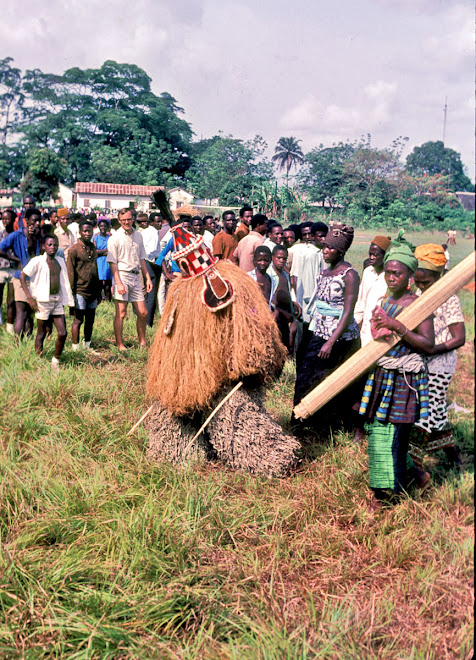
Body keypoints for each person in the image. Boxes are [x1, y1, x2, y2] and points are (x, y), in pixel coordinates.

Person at [358, 232, 434, 508]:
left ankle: (386, 498)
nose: (391, 278)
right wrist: (380, 322)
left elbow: (428, 344)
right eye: (388, 273)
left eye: (397, 274)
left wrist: (397, 326)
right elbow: (380, 337)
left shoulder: (418, 306)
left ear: (410, 277)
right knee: (380, 432)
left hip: (404, 380)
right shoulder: (387, 301)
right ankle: (416, 476)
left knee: (393, 437)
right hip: (383, 376)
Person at [293, 224, 360, 436]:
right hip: (319, 333)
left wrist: (331, 341)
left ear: (341, 251)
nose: (325, 250)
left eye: (331, 248)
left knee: (331, 382)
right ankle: (300, 422)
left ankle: (326, 429)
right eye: (325, 246)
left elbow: (348, 312)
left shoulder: (349, 275)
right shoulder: (323, 272)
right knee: (305, 377)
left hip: (341, 339)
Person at [409, 244, 466, 469]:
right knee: (435, 410)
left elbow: (459, 338)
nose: (422, 286)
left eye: (427, 282)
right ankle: (454, 459)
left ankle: (415, 467)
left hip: (440, 364)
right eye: (418, 281)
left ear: (439, 276)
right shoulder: (416, 294)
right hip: (422, 362)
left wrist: (433, 350)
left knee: (424, 413)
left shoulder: (448, 298)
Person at [19, 234, 74, 369]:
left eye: (55, 245)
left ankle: (55, 360)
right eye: (49, 245)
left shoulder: (60, 261)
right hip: (42, 300)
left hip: (57, 300)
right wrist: (29, 297)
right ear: (44, 246)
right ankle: (39, 359)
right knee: (41, 332)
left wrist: (70, 300)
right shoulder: (37, 261)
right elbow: (22, 276)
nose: (52, 248)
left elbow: (65, 282)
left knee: (63, 332)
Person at [106, 208, 152, 350]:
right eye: (123, 220)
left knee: (143, 312)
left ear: (133, 219)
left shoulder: (138, 235)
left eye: (129, 219)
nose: (126, 222)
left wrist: (147, 277)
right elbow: (112, 262)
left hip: (136, 275)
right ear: (119, 221)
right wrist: (118, 283)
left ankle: (142, 342)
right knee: (121, 312)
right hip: (122, 274)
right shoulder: (115, 238)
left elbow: (142, 258)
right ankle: (120, 344)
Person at [0, 211, 42, 336]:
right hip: (20, 277)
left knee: (30, 314)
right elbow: (1, 248)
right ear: (27, 220)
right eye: (34, 220)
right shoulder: (17, 235)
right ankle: (18, 344)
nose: (36, 223)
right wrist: (16, 259)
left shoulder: (39, 236)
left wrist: (34, 237)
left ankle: (27, 343)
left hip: (34, 279)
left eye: (38, 220)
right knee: (21, 313)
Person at [290, 221, 326, 349]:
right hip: (309, 304)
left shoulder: (321, 253)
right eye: (320, 237)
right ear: (313, 237)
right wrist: (312, 310)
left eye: (324, 236)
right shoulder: (311, 254)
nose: (323, 240)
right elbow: (310, 285)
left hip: (313, 304)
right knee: (306, 339)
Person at [67, 221, 101, 352]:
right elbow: (70, 273)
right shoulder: (74, 250)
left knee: (90, 320)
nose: (87, 233)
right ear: (80, 232)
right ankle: (75, 348)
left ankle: (87, 346)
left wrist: (98, 291)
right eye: (85, 231)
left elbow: (95, 269)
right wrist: (71, 295)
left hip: (92, 290)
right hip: (79, 290)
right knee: (78, 319)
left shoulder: (92, 247)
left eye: (89, 231)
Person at [354, 235, 392, 347]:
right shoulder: (368, 272)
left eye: (375, 255)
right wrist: (355, 322)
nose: (371, 258)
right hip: (365, 327)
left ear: (385, 256)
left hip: (381, 328)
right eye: (370, 254)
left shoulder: (390, 277)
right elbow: (361, 301)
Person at [268, 245, 298, 353]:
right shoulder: (269, 275)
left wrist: (292, 310)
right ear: (272, 257)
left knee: (287, 346)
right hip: (274, 316)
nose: (281, 261)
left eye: (284, 259)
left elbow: (287, 295)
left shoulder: (285, 275)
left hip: (286, 316)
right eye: (279, 258)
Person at [141, 213, 162, 327]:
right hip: (150, 263)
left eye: (160, 222)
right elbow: (151, 251)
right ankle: (148, 322)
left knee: (146, 293)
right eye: (157, 222)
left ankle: (144, 320)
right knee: (151, 295)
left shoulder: (144, 232)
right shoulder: (153, 232)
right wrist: (155, 262)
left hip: (143, 263)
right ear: (151, 222)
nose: (159, 224)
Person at [0, 209, 17, 333]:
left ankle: (10, 325)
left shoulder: (17, 235)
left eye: (7, 218)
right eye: (3, 218)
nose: (5, 221)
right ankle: (1, 320)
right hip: (1, 269)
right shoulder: (0, 234)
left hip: (13, 270)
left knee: (11, 299)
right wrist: (15, 258)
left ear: (13, 220)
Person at [93, 220, 113, 302]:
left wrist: (101, 251)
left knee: (108, 284)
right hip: (99, 262)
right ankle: (99, 300)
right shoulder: (95, 238)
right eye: (101, 226)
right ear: (98, 227)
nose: (103, 228)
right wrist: (106, 250)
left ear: (108, 227)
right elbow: (95, 251)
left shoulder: (111, 238)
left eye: (105, 226)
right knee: (99, 283)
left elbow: (113, 251)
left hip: (108, 262)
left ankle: (108, 301)